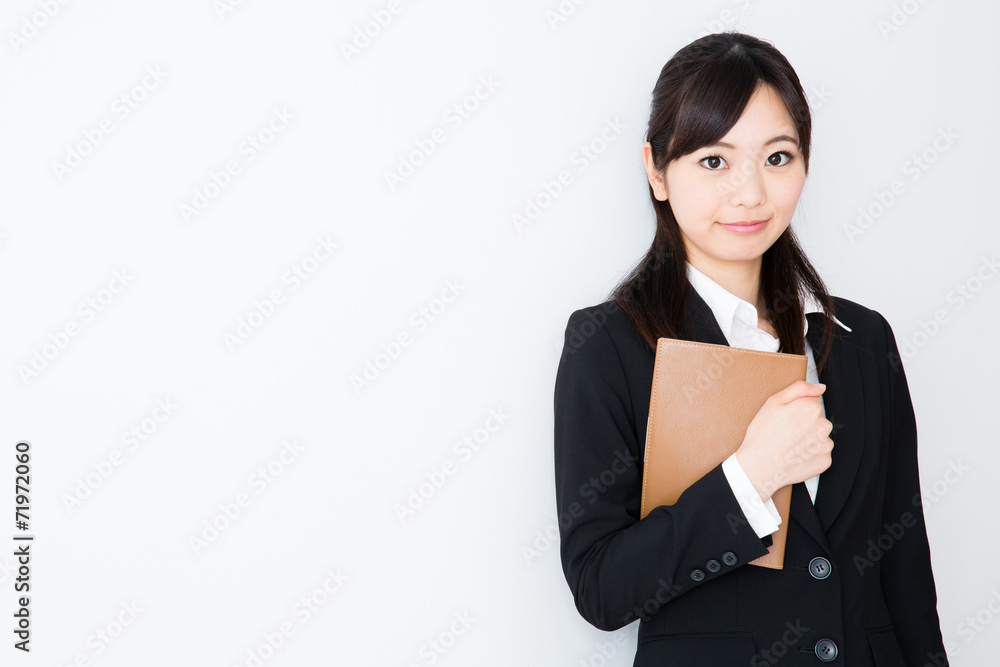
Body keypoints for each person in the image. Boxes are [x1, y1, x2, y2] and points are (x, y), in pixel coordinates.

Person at [552, 31, 948, 666]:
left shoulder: (864, 339)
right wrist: (749, 478)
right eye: (714, 161)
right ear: (656, 170)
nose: (750, 194)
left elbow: (906, 575)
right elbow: (602, 588)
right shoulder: (608, 345)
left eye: (777, 157)